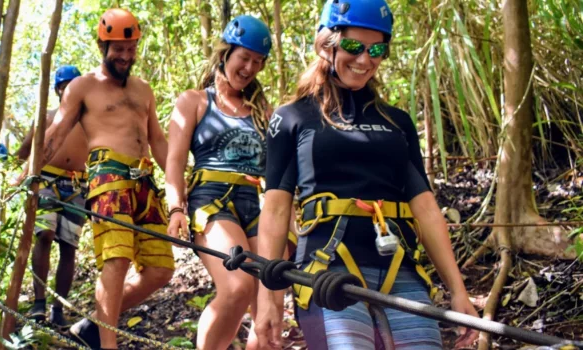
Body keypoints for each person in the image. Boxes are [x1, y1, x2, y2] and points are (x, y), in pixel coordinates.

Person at [253, 0, 480, 349]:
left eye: (376, 49)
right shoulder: (293, 118)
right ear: (327, 44)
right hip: (327, 267)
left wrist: (459, 292)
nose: (365, 60)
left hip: (400, 267)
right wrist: (269, 301)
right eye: (354, 46)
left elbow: (425, 208)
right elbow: (276, 209)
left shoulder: (397, 122)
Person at [39, 8, 173, 350]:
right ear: (103, 45)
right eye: (118, 49)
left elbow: (157, 140)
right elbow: (55, 133)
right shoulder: (83, 86)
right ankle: (107, 345)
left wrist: (178, 184)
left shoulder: (144, 90)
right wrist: (29, 175)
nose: (125, 56)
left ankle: (93, 326)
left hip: (145, 180)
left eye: (131, 49)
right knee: (116, 259)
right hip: (108, 176)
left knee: (160, 270)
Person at [164, 15, 278, 350]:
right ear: (225, 54)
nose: (250, 68)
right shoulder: (195, 101)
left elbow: (277, 169)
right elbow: (174, 161)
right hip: (213, 198)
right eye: (245, 58)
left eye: (258, 62)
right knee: (238, 285)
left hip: (257, 201)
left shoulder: (262, 111)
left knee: (270, 297)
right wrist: (175, 208)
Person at [15, 65, 89, 327]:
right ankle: (39, 303)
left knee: (69, 247)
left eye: (74, 85)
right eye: (65, 85)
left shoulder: (90, 121)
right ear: (58, 89)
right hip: (46, 181)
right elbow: (24, 151)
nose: (70, 90)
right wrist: (21, 173)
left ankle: (59, 309)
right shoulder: (46, 117)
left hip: (77, 186)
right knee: (44, 235)